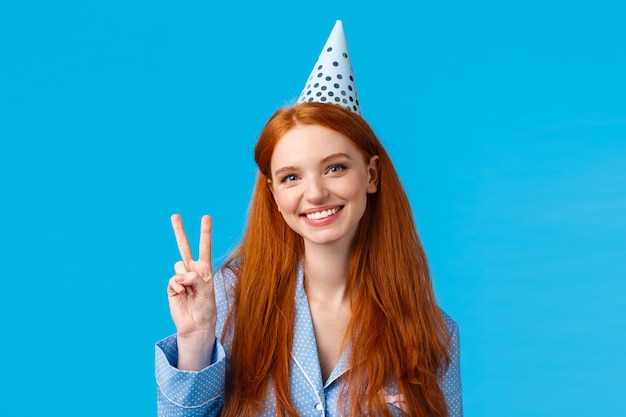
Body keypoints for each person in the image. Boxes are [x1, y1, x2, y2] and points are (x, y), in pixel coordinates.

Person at [155, 21, 463, 417]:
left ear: (370, 175)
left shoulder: (433, 333)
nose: (314, 193)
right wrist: (196, 340)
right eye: (291, 177)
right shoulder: (229, 302)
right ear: (274, 195)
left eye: (335, 168)